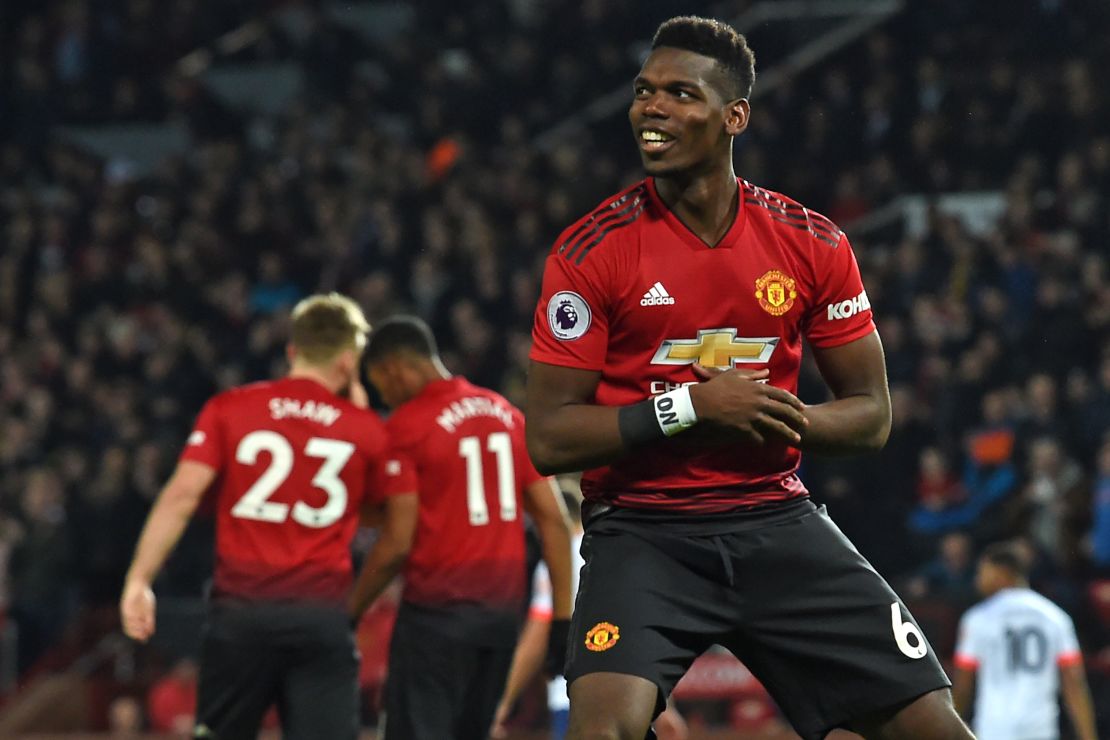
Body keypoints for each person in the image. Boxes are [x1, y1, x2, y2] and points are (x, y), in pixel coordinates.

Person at [526, 15, 973, 740]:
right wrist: (692, 407)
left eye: (679, 93)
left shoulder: (811, 242)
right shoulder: (592, 252)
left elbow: (871, 416)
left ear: (734, 116)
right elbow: (547, 437)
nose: (651, 108)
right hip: (643, 530)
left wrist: (774, 415)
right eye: (645, 92)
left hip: (775, 518)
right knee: (602, 729)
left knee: (936, 729)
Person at [120, 293, 417, 740]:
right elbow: (392, 521)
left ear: (292, 351)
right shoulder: (366, 430)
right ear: (349, 360)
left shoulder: (230, 409)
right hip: (320, 617)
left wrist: (139, 580)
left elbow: (181, 496)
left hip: (241, 614)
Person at [351, 315, 573, 740]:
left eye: (381, 384)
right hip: (501, 619)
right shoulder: (506, 414)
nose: (386, 396)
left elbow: (397, 542)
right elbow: (554, 521)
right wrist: (564, 620)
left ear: (394, 368)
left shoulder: (408, 426)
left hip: (436, 617)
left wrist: (351, 610)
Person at [492, 490, 687, 740]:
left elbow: (539, 629)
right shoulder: (620, 553)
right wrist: (667, 707)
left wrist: (502, 703)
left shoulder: (565, 556)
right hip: (635, 700)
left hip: (580, 703)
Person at [952, 542, 1098, 740]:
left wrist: (951, 730)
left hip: (993, 728)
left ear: (1001, 572)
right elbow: (1074, 682)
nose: (977, 580)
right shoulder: (1055, 617)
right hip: (1040, 729)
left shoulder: (978, 618)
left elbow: (963, 683)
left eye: (982, 571)